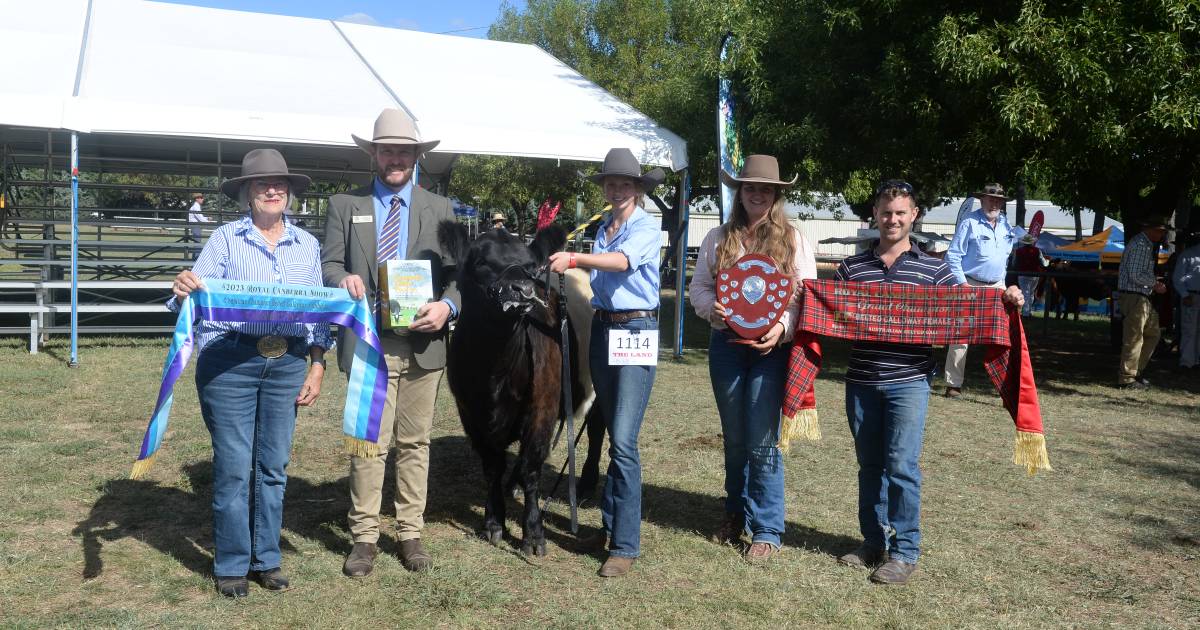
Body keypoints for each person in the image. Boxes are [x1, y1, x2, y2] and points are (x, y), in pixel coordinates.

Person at [834, 180, 1022, 585]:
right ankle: (872, 542)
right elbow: (829, 312)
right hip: (862, 380)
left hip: (909, 383)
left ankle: (905, 552)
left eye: (901, 212)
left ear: (914, 215)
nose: (893, 219)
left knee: (902, 467)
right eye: (886, 212)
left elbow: (968, 307)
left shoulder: (935, 270)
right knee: (869, 466)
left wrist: (1005, 298)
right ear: (876, 214)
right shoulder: (852, 268)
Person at [169, 149, 330, 597]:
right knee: (236, 467)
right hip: (230, 363)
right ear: (246, 193)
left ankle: (267, 558)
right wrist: (182, 287)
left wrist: (317, 363)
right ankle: (233, 563)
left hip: (287, 362)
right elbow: (191, 297)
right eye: (262, 184)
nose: (272, 190)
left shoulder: (309, 246)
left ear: (290, 193)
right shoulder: (224, 239)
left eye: (280, 184)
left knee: (274, 466)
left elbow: (318, 314)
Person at [322, 108, 460, 576]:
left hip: (424, 346)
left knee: (415, 442)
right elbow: (330, 265)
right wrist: (343, 281)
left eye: (404, 150)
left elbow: (460, 275)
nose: (395, 158)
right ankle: (363, 536)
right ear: (374, 155)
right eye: (387, 150)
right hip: (368, 344)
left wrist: (448, 306)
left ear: (416, 156)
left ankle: (409, 533)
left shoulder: (440, 208)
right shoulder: (345, 205)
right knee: (368, 442)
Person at [688, 155, 816, 563]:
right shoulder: (718, 238)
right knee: (735, 438)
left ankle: (767, 528)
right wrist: (714, 310)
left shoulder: (793, 239)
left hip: (770, 352)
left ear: (776, 194)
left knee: (762, 439)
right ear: (739, 193)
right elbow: (699, 289)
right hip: (726, 347)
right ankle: (734, 512)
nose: (756, 193)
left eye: (764, 188)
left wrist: (781, 328)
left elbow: (805, 297)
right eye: (749, 187)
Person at [547, 148, 663, 578]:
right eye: (610, 183)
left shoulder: (646, 227)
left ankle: (626, 544)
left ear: (636, 188)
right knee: (612, 429)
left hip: (635, 329)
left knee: (625, 440)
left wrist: (575, 259)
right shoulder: (604, 226)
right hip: (603, 329)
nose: (616, 189)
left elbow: (621, 262)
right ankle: (612, 528)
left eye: (623, 183)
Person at [942, 183, 1018, 398]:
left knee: (1004, 335)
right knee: (960, 336)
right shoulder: (969, 223)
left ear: (1002, 203)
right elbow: (953, 256)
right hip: (970, 283)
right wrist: (962, 284)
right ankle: (953, 385)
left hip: (998, 285)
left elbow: (1004, 257)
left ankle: (1005, 383)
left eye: (998, 200)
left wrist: (1003, 283)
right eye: (990, 199)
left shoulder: (1006, 226)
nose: (994, 203)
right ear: (982, 200)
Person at [1117, 217, 1171, 388]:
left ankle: (1135, 372)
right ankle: (1127, 378)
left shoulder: (1144, 244)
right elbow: (1135, 275)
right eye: (1160, 230)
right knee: (1134, 338)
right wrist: (1155, 284)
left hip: (1141, 296)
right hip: (1135, 296)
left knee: (1152, 334)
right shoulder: (1141, 245)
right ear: (1151, 229)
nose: (1162, 234)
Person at [1172, 230, 1200, 369]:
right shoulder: (1188, 255)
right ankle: (1187, 362)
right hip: (1192, 296)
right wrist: (1184, 294)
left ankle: (1197, 361)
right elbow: (1178, 278)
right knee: (1189, 329)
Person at [1014, 233, 1047, 316]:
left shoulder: (1018, 251)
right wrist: (1048, 262)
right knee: (1031, 293)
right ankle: (1028, 311)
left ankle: (1025, 313)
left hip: (1022, 274)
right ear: (1032, 242)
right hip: (1034, 275)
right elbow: (1044, 263)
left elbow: (1014, 263)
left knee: (1025, 293)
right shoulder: (1037, 250)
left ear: (1024, 242)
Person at [187, 193, 212, 259]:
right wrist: (208, 222)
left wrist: (206, 218)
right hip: (195, 226)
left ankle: (194, 260)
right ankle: (196, 259)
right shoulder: (195, 207)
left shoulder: (196, 206)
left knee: (197, 243)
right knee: (197, 244)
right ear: (197, 199)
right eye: (201, 198)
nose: (202, 199)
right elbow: (200, 218)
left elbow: (199, 217)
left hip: (196, 226)